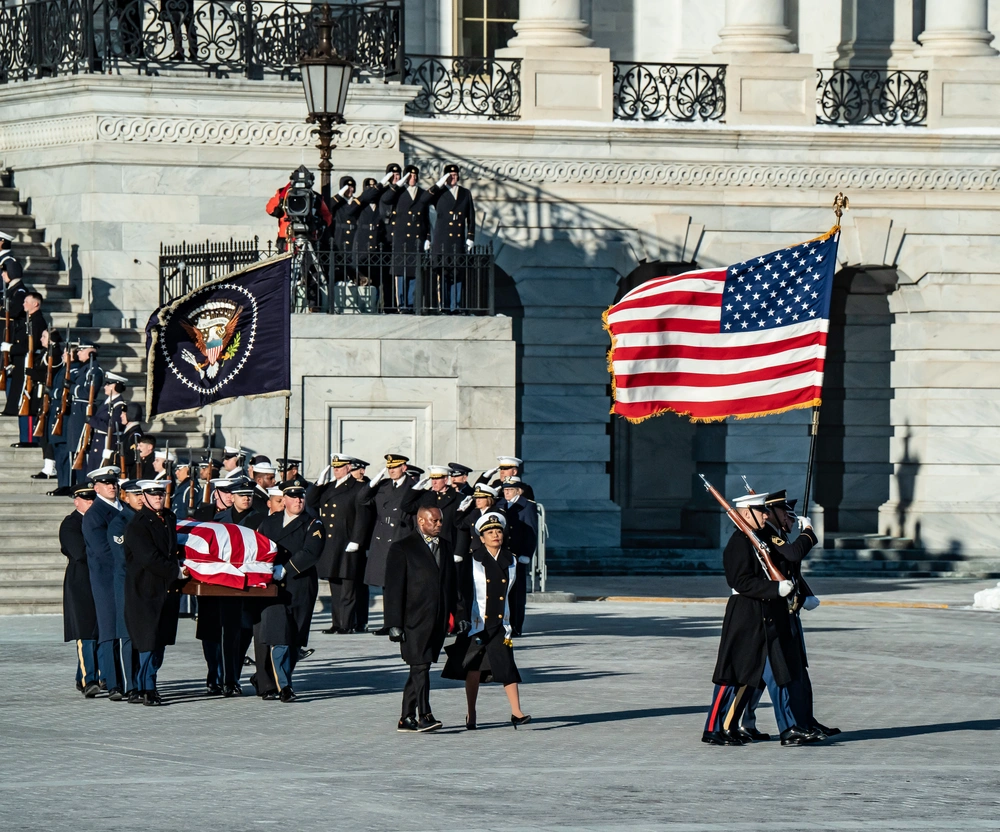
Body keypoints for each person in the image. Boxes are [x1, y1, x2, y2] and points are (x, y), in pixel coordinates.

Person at [702, 491, 821, 747]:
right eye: (761, 511)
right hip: (745, 614)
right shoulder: (739, 542)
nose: (766, 514)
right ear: (746, 514)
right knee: (733, 674)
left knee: (779, 673)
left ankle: (789, 728)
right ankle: (714, 727)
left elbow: (785, 564)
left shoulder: (759, 539)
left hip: (768, 615)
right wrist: (775, 590)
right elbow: (740, 581)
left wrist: (797, 592)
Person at [443, 511, 531, 730]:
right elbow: (462, 593)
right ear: (481, 538)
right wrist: (462, 618)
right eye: (490, 532)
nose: (495, 535)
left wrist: (516, 622)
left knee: (507, 667)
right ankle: (471, 713)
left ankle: (517, 712)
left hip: (501, 623)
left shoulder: (510, 559)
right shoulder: (472, 560)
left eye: (498, 531)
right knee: (474, 669)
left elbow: (515, 594)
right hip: (477, 623)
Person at [383, 506, 457, 732]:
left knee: (419, 668)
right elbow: (394, 589)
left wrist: (459, 614)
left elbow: (452, 585)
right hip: (412, 620)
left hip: (437, 619)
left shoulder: (445, 546)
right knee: (421, 666)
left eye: (440, 521)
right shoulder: (402, 548)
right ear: (421, 521)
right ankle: (425, 715)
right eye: (434, 521)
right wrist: (393, 623)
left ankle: (406, 718)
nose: (439, 525)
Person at [253, 481, 325, 702]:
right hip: (274, 589)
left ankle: (277, 678)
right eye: (293, 497)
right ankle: (284, 686)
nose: (298, 501)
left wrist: (285, 569)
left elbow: (310, 552)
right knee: (280, 637)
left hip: (300, 585)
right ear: (283, 500)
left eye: (301, 497)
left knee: (294, 638)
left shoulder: (313, 523)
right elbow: (258, 547)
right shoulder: (269, 522)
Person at [123, 479, 185, 706]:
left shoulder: (168, 517)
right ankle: (148, 688)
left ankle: (142, 685)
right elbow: (149, 557)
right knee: (148, 640)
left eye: (161, 494)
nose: (158, 498)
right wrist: (176, 570)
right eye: (153, 494)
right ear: (144, 497)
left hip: (166, 589)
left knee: (160, 640)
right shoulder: (137, 525)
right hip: (145, 589)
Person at [308, 453, 372, 635]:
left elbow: (362, 517)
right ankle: (337, 622)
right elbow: (311, 502)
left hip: (347, 540)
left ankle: (347, 623)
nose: (336, 470)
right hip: (330, 541)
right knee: (335, 583)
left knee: (348, 585)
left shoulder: (357, 487)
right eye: (334, 467)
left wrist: (357, 540)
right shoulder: (328, 487)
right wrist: (318, 483)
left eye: (340, 467)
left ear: (348, 468)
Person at [81, 465, 125, 699]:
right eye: (106, 483)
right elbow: (103, 550)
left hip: (126, 578)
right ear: (96, 487)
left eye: (114, 482)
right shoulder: (94, 514)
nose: (112, 486)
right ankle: (113, 681)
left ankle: (128, 679)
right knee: (109, 630)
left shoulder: (125, 509)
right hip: (107, 579)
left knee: (127, 629)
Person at [60, 482, 100, 697]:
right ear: (77, 501)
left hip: (101, 580)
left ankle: (83, 676)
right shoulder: (71, 524)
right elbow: (79, 553)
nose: (91, 502)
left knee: (101, 631)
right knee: (86, 632)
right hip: (81, 583)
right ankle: (89, 679)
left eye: (93, 498)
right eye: (87, 499)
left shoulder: (102, 520)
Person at [358, 453, 415, 599]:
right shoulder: (383, 485)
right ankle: (390, 621)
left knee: (402, 584)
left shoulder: (412, 487)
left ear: (404, 467)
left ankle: (400, 621)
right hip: (382, 538)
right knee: (386, 585)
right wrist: (371, 484)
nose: (391, 470)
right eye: (389, 468)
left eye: (395, 467)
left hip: (400, 535)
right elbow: (362, 500)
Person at [107, 479, 143, 701]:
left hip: (146, 586)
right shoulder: (119, 522)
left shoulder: (149, 519)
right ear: (124, 496)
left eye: (143, 493)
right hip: (127, 584)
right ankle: (131, 685)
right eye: (135, 494)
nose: (140, 498)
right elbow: (123, 559)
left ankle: (145, 682)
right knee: (128, 636)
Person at [380, 165, 433, 311]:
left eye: (415, 176)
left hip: (417, 239)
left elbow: (426, 217)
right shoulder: (398, 192)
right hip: (402, 238)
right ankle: (402, 304)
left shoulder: (422, 193)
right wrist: (399, 183)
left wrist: (428, 236)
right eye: (410, 176)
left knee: (414, 273)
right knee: (401, 274)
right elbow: (385, 199)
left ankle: (411, 303)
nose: (413, 178)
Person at [428, 164, 476, 312]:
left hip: (458, 239)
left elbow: (471, 216)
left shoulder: (465, 193)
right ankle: (444, 305)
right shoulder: (439, 192)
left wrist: (470, 237)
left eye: (455, 175)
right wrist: (439, 184)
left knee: (457, 272)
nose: (453, 177)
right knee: (443, 272)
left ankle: (456, 305)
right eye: (450, 175)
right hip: (442, 239)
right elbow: (426, 198)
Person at [3, 290, 47, 442]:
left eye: (26, 302)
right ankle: (25, 438)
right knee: (22, 401)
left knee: (26, 400)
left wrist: (11, 349)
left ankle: (29, 439)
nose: (23, 304)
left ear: (35, 304)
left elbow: (31, 346)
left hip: (28, 364)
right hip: (21, 363)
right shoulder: (29, 320)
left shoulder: (37, 321)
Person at [501, 476, 538, 637]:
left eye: (510, 490)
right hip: (503, 554)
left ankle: (516, 625)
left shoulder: (527, 507)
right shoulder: (501, 505)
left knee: (517, 592)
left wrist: (527, 554)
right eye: (505, 490)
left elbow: (531, 532)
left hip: (518, 554)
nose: (506, 493)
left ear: (518, 491)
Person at [266, 165, 333, 253]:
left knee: (307, 265)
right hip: (287, 236)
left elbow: (327, 215)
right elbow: (269, 207)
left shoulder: (315, 197)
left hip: (308, 234)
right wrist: (276, 211)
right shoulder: (283, 194)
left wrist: (321, 223)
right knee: (286, 264)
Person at [66, 344, 102, 485]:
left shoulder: (94, 370)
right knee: (75, 448)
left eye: (81, 350)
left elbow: (88, 393)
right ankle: (76, 483)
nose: (78, 353)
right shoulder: (84, 369)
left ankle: (83, 483)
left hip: (83, 410)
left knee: (81, 447)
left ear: (90, 352)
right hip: (77, 409)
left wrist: (72, 388)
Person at [83, 371, 128, 473]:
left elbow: (111, 427)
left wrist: (92, 420)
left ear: (115, 386)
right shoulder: (107, 402)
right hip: (98, 441)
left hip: (106, 442)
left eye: (108, 384)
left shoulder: (119, 405)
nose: (105, 387)